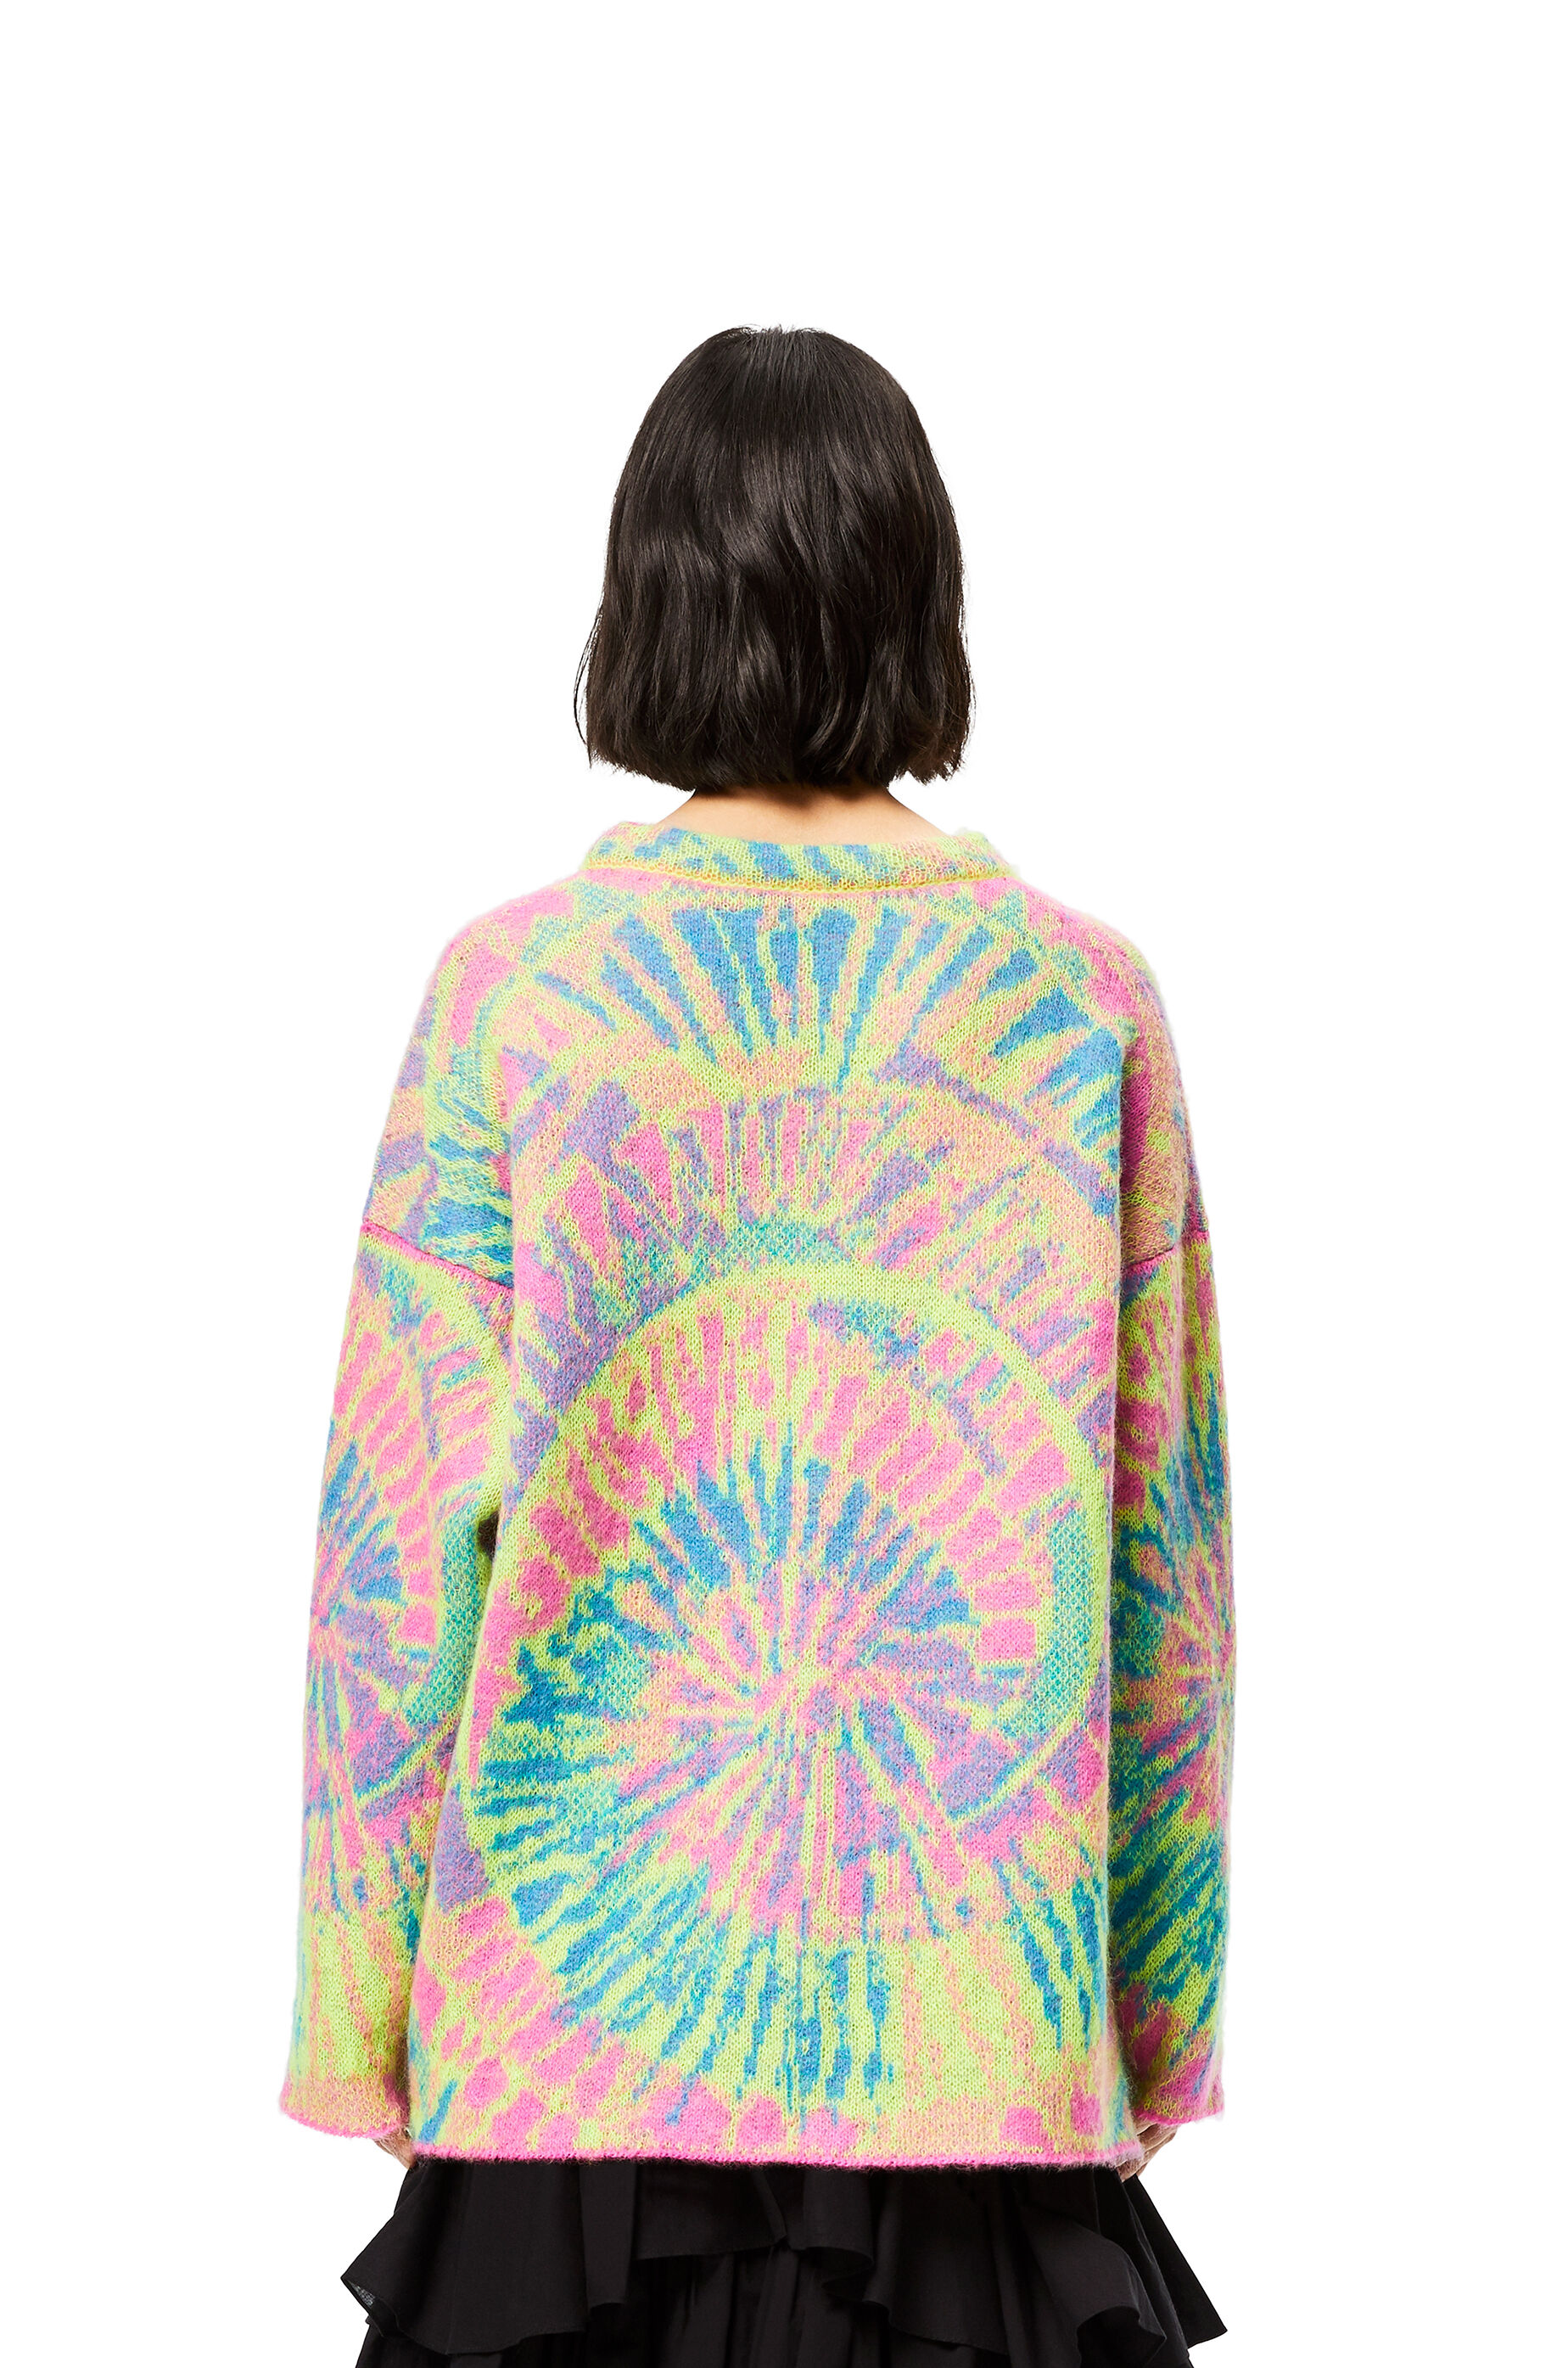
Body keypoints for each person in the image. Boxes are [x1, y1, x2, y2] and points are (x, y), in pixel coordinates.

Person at [283, 326, 1235, 2367]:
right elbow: (1168, 1571)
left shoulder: (519, 997)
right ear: (923, 598)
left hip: (566, 2057)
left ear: (644, 603)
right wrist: (1152, 2017)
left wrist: (365, 2021)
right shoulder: (1083, 1005)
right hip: (977, 2043)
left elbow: (393, 1556)